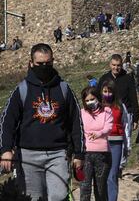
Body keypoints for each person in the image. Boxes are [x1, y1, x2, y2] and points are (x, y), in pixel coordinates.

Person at [0, 43, 85, 201]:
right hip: (27, 156)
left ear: (53, 61)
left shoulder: (64, 89)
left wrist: (79, 154)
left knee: (59, 196)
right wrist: (5, 149)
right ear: (31, 63)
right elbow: (7, 122)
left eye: (48, 63)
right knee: (32, 197)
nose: (44, 67)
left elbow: (76, 123)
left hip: (58, 154)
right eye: (39, 64)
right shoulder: (21, 90)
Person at [80, 86, 113, 201]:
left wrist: (99, 133)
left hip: (102, 153)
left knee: (100, 188)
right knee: (85, 187)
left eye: (92, 99)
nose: (90, 102)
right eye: (87, 100)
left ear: (98, 98)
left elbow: (108, 127)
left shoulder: (107, 111)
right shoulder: (82, 113)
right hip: (86, 154)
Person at [101, 80, 131, 201]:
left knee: (112, 175)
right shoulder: (98, 106)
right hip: (101, 144)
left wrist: (127, 145)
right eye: (105, 91)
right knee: (102, 176)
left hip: (116, 143)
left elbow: (126, 125)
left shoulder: (120, 106)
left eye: (110, 91)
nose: (107, 94)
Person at [98, 54, 139, 131]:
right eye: (114, 65)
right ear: (110, 64)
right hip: (108, 113)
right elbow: (98, 96)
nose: (116, 68)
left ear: (121, 65)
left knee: (125, 141)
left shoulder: (128, 79)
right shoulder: (104, 78)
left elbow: (133, 98)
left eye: (118, 65)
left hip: (125, 114)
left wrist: (135, 118)